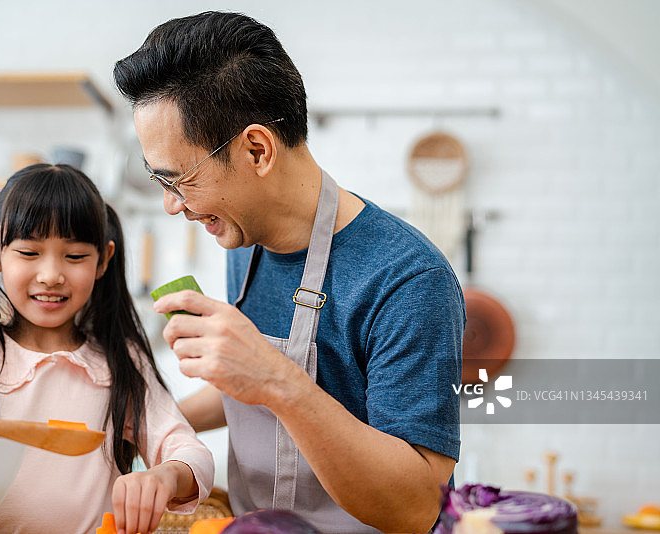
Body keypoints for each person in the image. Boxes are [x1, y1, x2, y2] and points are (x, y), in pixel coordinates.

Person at [114, 11, 465, 534]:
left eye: (179, 179)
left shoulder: (407, 279)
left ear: (257, 150)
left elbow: (415, 507)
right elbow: (247, 395)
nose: (172, 205)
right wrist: (147, 424)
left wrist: (279, 381)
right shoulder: (241, 238)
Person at [0, 164, 214, 534]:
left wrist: (168, 475)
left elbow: (188, 451)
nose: (51, 275)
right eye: (29, 253)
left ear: (103, 260)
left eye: (75, 256)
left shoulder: (121, 360)